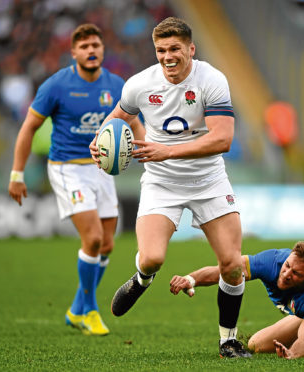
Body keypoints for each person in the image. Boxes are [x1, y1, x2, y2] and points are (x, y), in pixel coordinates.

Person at [90, 17, 250, 358]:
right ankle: (142, 279)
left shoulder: (212, 80)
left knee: (232, 264)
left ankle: (228, 340)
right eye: (161, 50)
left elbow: (223, 139)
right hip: (162, 182)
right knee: (151, 259)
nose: (167, 56)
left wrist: (167, 151)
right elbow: (119, 115)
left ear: (190, 49)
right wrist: (99, 140)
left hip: (209, 180)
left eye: (175, 48)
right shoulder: (139, 84)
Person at [8, 24, 141, 336]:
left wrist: (147, 153)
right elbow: (28, 127)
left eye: (96, 44)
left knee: (107, 243)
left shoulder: (116, 84)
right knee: (93, 238)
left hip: (102, 168)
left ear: (103, 49)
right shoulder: (56, 85)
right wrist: (17, 173)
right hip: (67, 168)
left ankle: (76, 308)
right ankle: (89, 310)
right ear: (74, 53)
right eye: (84, 47)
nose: (91, 50)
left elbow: (134, 122)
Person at [169, 241, 304, 359]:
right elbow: (229, 270)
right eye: (287, 266)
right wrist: (191, 279)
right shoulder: (273, 260)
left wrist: (293, 353)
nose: (285, 274)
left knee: (262, 343)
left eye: (295, 273)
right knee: (255, 344)